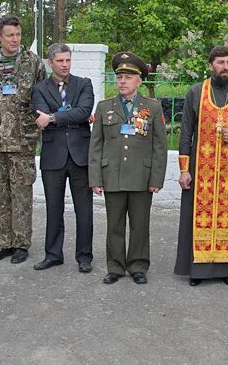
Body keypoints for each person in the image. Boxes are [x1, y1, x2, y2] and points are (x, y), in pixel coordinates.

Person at [174, 46, 228, 287]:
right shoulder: (195, 93)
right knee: (197, 217)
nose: (225, 67)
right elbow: (185, 134)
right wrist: (184, 169)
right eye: (221, 63)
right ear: (210, 65)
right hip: (201, 169)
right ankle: (198, 271)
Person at [89, 52, 168, 285]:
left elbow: (159, 147)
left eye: (128, 77)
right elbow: (96, 146)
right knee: (114, 224)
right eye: (119, 77)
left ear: (139, 81)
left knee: (140, 224)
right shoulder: (105, 107)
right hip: (112, 174)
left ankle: (138, 265)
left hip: (141, 177)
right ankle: (115, 266)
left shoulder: (152, 108)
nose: (122, 81)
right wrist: (95, 178)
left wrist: (156, 178)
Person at [0, 15, 47, 264]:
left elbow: (41, 97)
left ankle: (21, 244)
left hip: (22, 141)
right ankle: (3, 243)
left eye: (18, 35)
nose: (15, 40)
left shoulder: (33, 62)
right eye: (10, 35)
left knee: (21, 195)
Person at [31, 43, 95, 273]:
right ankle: (53, 254)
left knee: (84, 210)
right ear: (51, 63)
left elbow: (84, 111)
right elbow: (39, 115)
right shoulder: (39, 89)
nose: (65, 65)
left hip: (80, 155)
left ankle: (84, 256)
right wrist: (62, 116)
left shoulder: (83, 84)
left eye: (68, 60)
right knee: (53, 208)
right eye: (60, 61)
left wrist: (53, 117)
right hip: (53, 156)